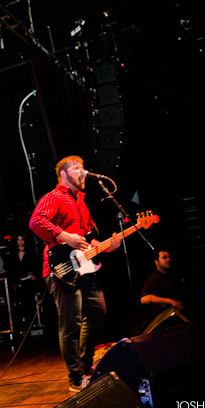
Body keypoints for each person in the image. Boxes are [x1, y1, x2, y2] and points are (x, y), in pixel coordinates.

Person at [29, 155, 121, 392]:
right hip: (61, 269)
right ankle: (76, 378)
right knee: (71, 323)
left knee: (98, 310)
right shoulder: (53, 197)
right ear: (63, 173)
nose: (82, 172)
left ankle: (85, 367)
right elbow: (36, 221)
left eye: (82, 167)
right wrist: (64, 236)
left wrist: (107, 246)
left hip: (84, 266)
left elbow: (87, 239)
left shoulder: (81, 201)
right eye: (77, 168)